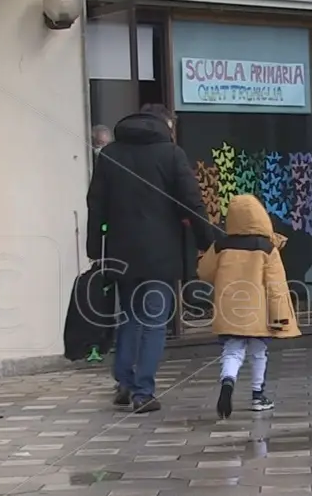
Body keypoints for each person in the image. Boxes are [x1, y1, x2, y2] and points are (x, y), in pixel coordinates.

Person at [87, 104, 214, 413]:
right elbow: (191, 201)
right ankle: (143, 392)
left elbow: (96, 204)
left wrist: (94, 249)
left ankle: (125, 382)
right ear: (165, 124)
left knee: (130, 316)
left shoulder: (110, 154)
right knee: (155, 321)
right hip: (162, 253)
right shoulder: (171, 154)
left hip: (121, 253)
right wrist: (206, 240)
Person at [196, 195, 300, 419]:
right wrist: (279, 316)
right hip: (258, 313)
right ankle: (257, 395)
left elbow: (204, 272)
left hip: (229, 309)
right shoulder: (267, 248)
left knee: (232, 350)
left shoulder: (221, 245)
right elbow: (276, 286)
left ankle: (228, 381)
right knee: (258, 352)